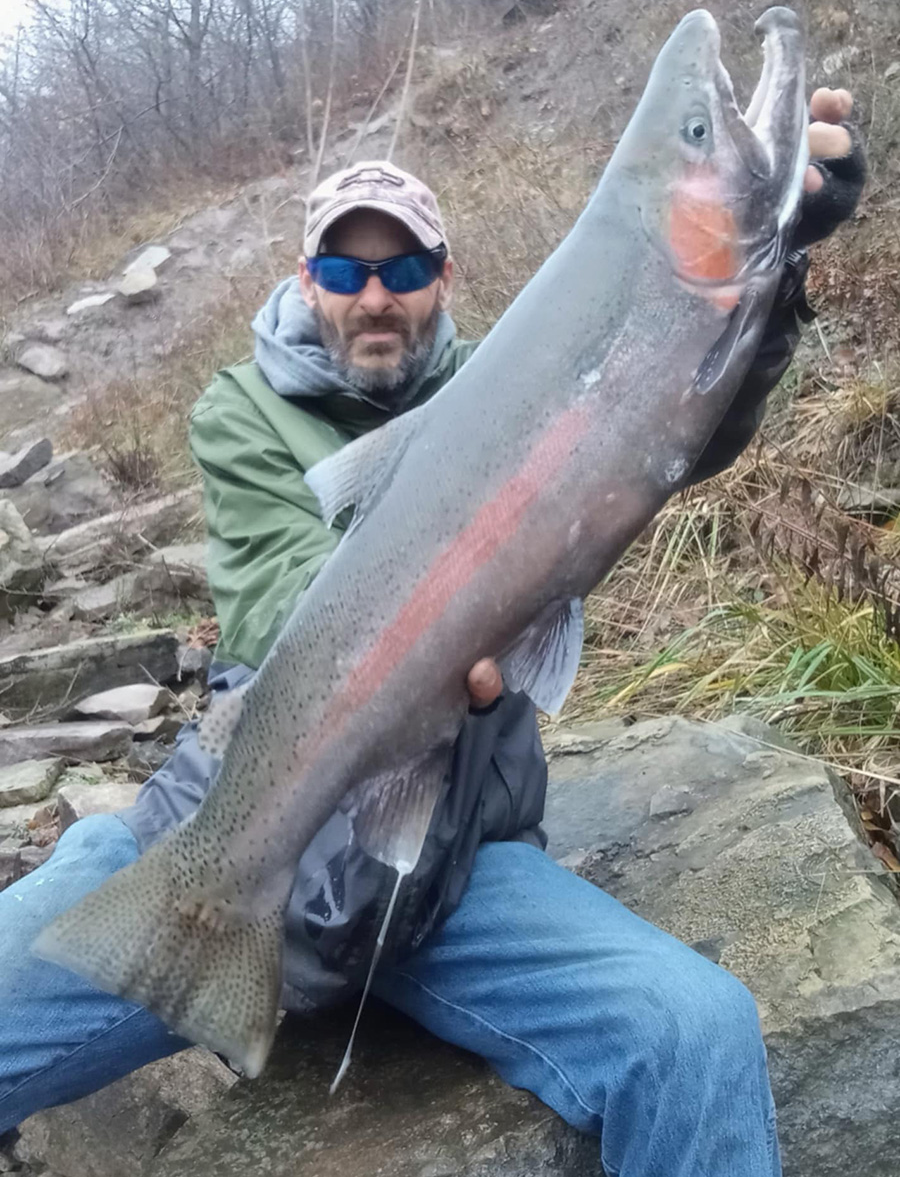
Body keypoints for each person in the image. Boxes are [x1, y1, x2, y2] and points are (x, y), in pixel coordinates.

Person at [0, 87, 865, 1177]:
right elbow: (280, 604)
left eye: (405, 270)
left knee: (691, 1030)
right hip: (211, 840)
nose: (376, 295)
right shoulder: (240, 411)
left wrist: (773, 267)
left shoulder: (510, 378)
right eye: (347, 270)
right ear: (306, 282)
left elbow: (674, 425)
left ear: (443, 280)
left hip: (447, 870)